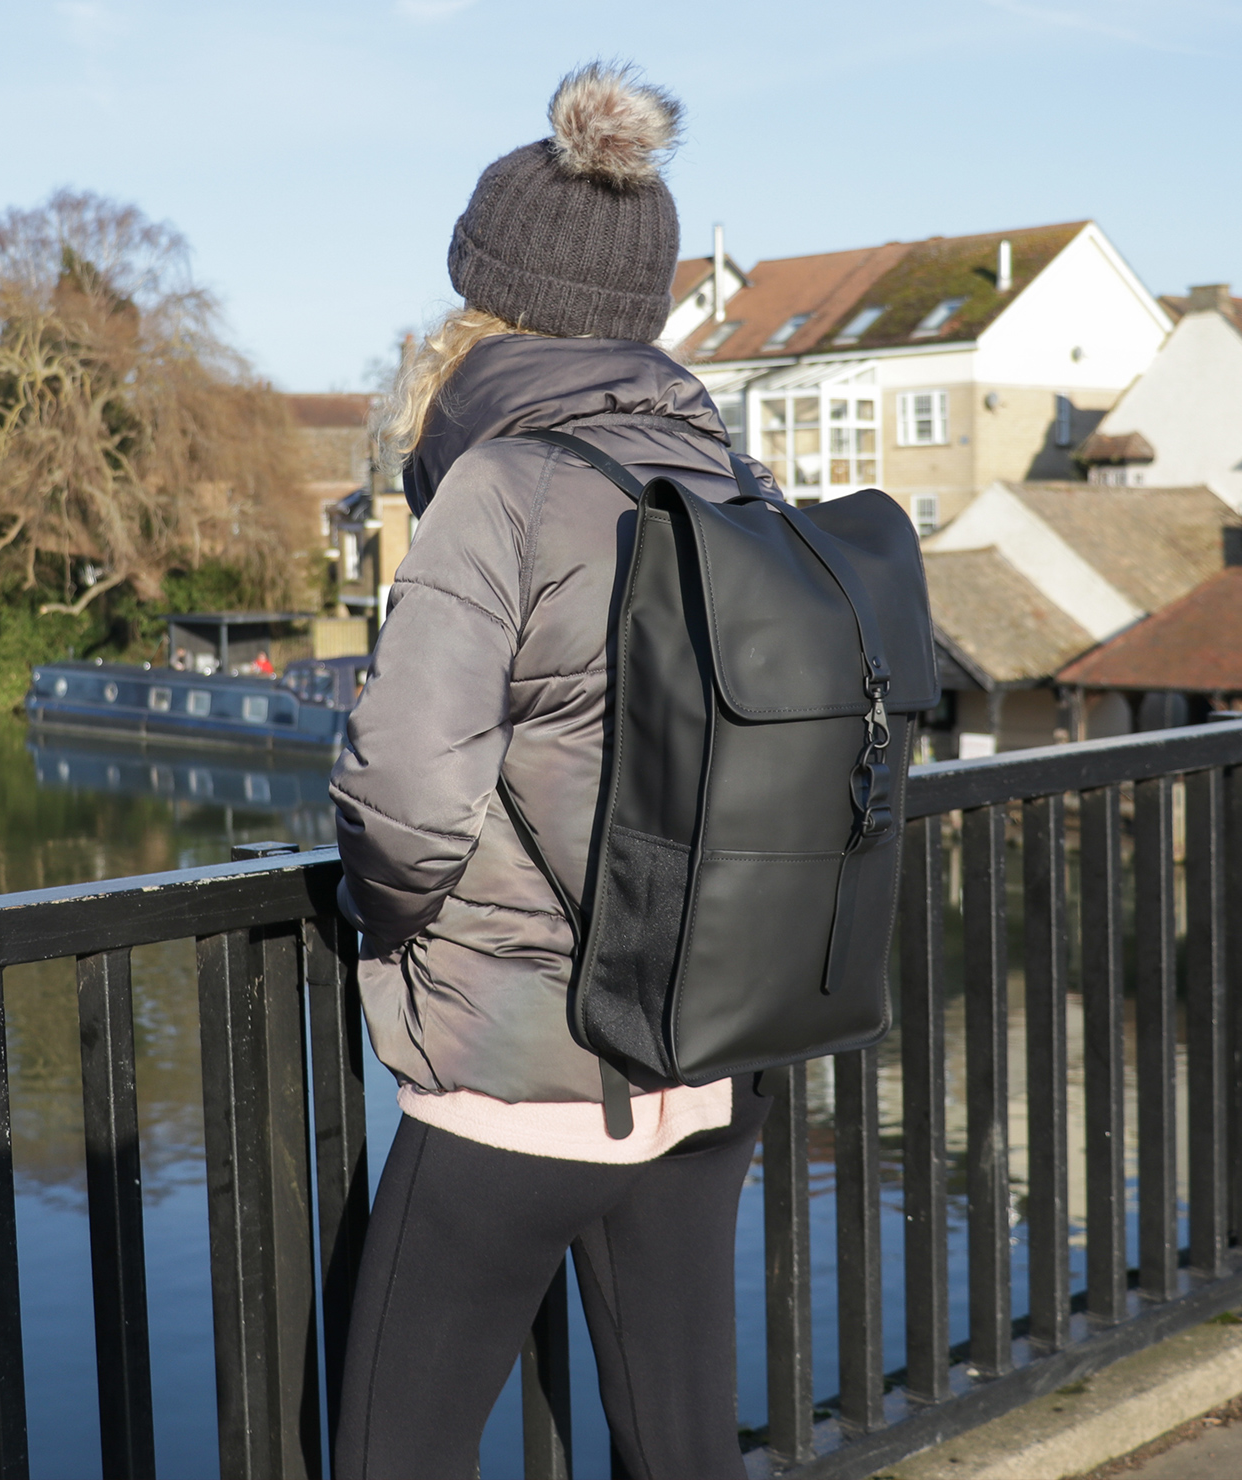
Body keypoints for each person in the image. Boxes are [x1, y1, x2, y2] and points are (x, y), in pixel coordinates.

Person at [330, 61, 782, 1480]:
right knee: (683, 1453)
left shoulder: (503, 483)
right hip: (708, 1060)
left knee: (389, 1456)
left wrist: (403, 942)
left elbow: (407, 800)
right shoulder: (728, 472)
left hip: (518, 1077)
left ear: (483, 302)